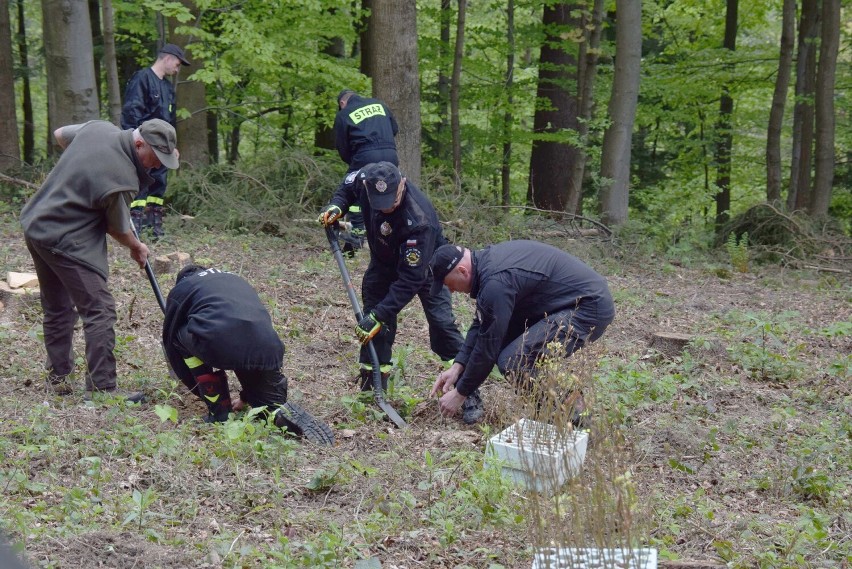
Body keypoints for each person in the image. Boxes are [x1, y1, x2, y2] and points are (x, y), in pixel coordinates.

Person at [20, 119, 180, 401]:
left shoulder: (98, 129)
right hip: (65, 239)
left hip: (36, 225)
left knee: (57, 307)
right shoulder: (122, 179)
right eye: (155, 160)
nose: (156, 167)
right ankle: (103, 390)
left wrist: (81, 167)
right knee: (100, 310)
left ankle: (58, 380)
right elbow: (116, 228)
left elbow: (60, 134)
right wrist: (137, 246)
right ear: (139, 143)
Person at [317, 162, 468, 401]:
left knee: (442, 326)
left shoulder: (419, 219)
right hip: (383, 263)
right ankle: (371, 391)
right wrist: (337, 206)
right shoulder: (364, 179)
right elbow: (346, 187)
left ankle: (467, 391)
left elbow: (411, 279)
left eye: (391, 201)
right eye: (380, 202)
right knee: (374, 330)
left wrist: (381, 313)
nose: (385, 208)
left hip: (426, 268)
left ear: (402, 185)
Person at [428, 240, 616, 426]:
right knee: (514, 355)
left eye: (448, 284)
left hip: (587, 307)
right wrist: (458, 366)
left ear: (462, 271)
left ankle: (571, 416)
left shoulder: (496, 282)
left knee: (514, 361)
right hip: (562, 303)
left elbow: (488, 347)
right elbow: (482, 324)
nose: (451, 291)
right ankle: (561, 409)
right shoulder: (488, 266)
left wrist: (460, 393)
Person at [162, 265, 334, 444]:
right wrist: (246, 397)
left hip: (218, 342)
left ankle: (219, 413)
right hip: (266, 345)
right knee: (266, 407)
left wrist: (194, 386)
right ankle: (277, 411)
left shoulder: (181, 289)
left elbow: (169, 339)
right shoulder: (233, 278)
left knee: (180, 334)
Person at [121, 43, 190, 239]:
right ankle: (135, 227)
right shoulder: (141, 79)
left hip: (163, 148)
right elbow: (131, 113)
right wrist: (133, 142)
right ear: (166, 58)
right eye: (177, 64)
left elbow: (170, 121)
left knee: (159, 184)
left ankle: (155, 229)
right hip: (143, 146)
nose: (177, 70)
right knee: (141, 185)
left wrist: (172, 146)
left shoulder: (168, 88)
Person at [332, 89, 399, 255]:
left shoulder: (344, 114)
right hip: (390, 155)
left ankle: (356, 238)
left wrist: (353, 161)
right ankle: (391, 236)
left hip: (364, 155)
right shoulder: (380, 105)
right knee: (390, 193)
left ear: (342, 103)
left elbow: (342, 146)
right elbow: (395, 129)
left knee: (354, 191)